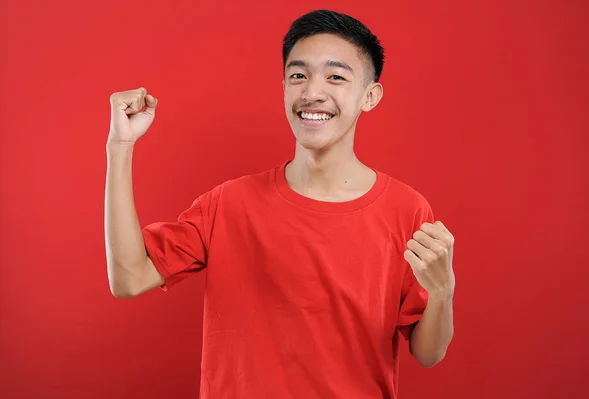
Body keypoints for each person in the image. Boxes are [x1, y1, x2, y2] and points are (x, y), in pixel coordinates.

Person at [104, 9, 455, 399]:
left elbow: (428, 352)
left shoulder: (407, 211)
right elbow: (129, 278)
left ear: (370, 96)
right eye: (298, 75)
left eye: (336, 76)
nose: (312, 92)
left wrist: (442, 291)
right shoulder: (228, 204)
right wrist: (120, 146)